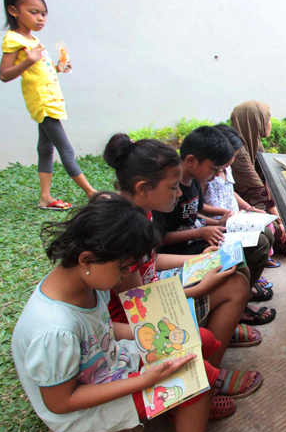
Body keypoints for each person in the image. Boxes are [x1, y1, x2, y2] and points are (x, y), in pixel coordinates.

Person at [10, 193, 249, 432]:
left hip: (106, 364)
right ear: (86, 259)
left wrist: (152, 332)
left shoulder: (83, 283)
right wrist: (143, 381)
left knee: (196, 338)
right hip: (83, 407)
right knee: (192, 373)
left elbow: (104, 330)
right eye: (123, 269)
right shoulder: (54, 330)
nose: (127, 277)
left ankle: (187, 406)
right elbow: (61, 402)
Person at [103, 134, 268, 388]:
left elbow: (151, 261)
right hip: (136, 317)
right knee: (235, 286)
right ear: (143, 188)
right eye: (172, 187)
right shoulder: (124, 230)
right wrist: (197, 288)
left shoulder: (140, 212)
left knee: (234, 268)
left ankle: (218, 334)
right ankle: (205, 378)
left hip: (152, 291)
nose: (179, 192)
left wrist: (193, 260)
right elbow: (138, 302)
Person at [152, 126, 276, 307]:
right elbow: (160, 240)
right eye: (214, 169)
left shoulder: (193, 181)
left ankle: (241, 298)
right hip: (183, 250)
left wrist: (219, 222)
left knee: (263, 235)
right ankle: (235, 302)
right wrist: (201, 232)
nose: (216, 174)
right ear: (192, 161)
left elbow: (195, 213)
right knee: (258, 245)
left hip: (199, 238)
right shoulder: (167, 192)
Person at [0, 0, 96, 210]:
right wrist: (28, 61)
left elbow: (41, 68)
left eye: (43, 14)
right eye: (33, 13)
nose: (40, 18)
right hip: (42, 102)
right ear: (13, 11)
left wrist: (57, 67)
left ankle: (45, 197)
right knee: (66, 149)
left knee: (45, 148)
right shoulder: (14, 39)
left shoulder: (33, 40)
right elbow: (4, 75)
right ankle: (92, 192)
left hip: (51, 99)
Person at [229, 100, 286, 258]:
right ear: (255, 121)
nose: (270, 123)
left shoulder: (253, 142)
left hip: (257, 203)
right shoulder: (237, 152)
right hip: (242, 205)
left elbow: (269, 175)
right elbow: (258, 192)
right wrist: (281, 222)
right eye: (267, 119)